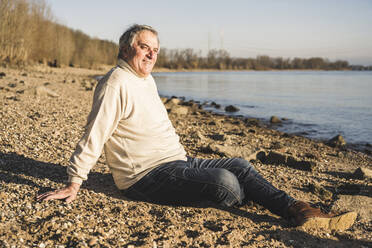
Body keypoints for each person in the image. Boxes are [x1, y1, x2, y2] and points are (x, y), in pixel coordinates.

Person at [37, 24, 356, 231]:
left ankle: (299, 210)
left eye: (156, 50)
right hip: (144, 177)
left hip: (177, 162)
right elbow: (94, 133)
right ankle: (273, 203)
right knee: (225, 183)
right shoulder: (115, 83)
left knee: (241, 166)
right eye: (145, 47)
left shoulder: (144, 79)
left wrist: (185, 161)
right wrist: (75, 182)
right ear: (125, 49)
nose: (152, 54)